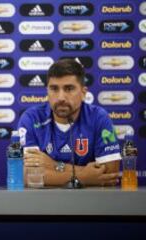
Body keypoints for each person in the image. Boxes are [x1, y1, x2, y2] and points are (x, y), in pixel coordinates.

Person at [18, 59, 121, 187]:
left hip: (89, 203)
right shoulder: (32, 118)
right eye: (54, 89)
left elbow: (109, 173)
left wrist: (55, 165)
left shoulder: (98, 117)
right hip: (43, 204)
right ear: (47, 91)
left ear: (83, 93)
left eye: (69, 88)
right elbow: (26, 175)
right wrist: (84, 177)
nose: (61, 97)